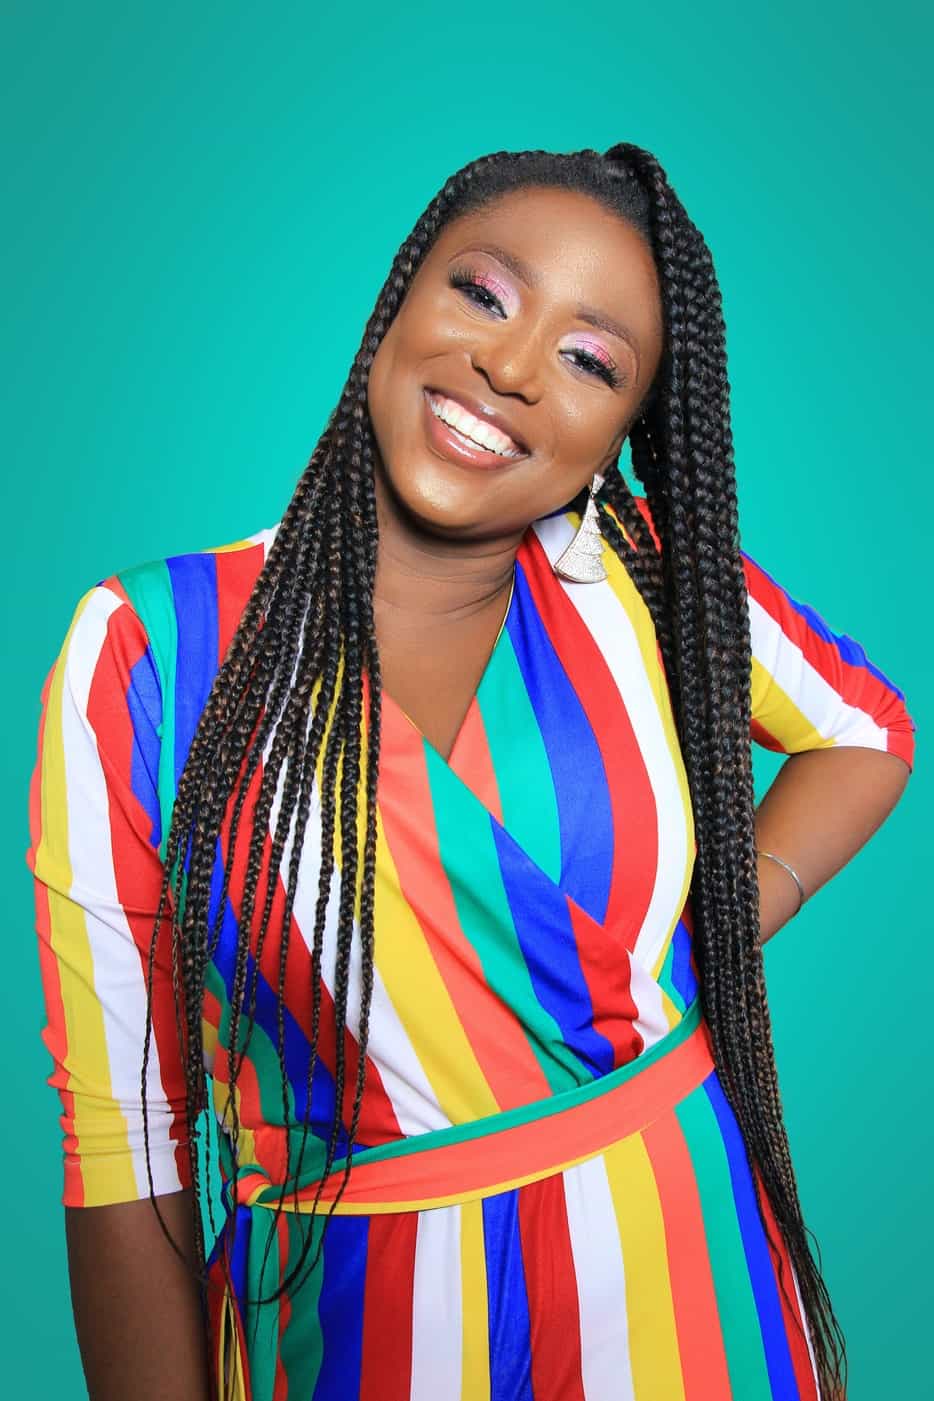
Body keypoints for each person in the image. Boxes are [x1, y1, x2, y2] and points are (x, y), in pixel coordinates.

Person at [28, 144, 913, 1401]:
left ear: (618, 434)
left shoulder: (633, 578)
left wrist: (718, 919)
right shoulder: (152, 653)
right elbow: (127, 1142)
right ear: (399, 297)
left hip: (690, 1295)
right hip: (347, 1329)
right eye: (485, 294)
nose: (512, 367)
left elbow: (866, 730)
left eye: (590, 361)